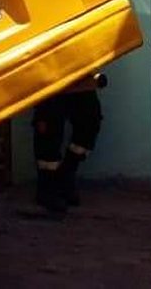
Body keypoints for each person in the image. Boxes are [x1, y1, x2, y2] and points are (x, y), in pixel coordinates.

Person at [32, 71, 106, 213]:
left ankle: (65, 176)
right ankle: (46, 188)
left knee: (90, 121)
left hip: (79, 76)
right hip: (48, 78)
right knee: (49, 128)